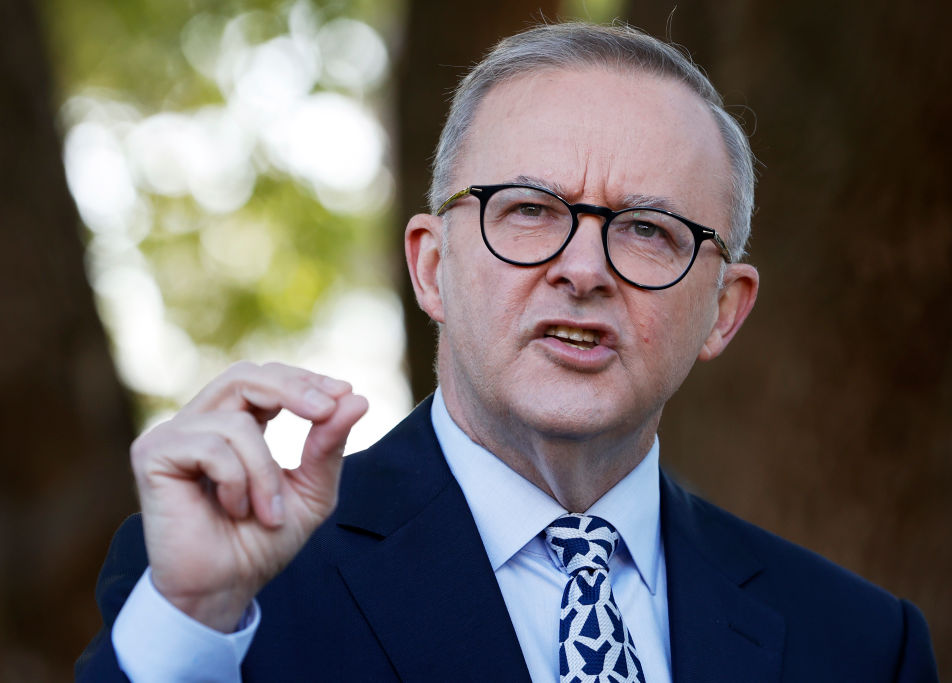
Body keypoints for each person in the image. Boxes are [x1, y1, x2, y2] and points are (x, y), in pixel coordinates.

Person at [76, 22, 938, 683]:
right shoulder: (222, 592)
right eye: (527, 209)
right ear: (432, 267)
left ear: (724, 309)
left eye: (647, 228)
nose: (584, 269)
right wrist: (189, 625)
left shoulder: (862, 642)